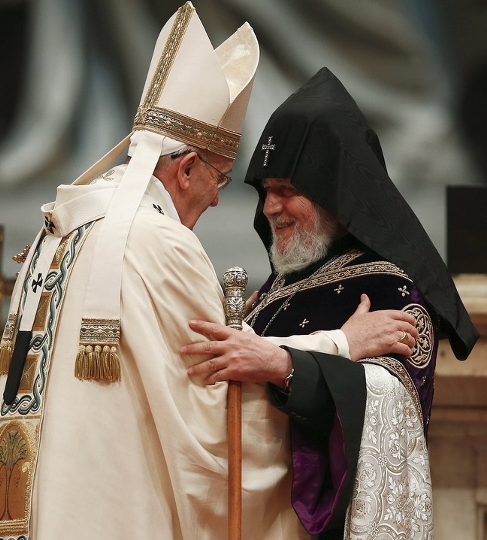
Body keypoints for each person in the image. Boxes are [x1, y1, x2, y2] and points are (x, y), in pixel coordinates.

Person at [0, 6, 417, 539]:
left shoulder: (59, 226)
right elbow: (221, 416)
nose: (220, 199)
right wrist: (342, 345)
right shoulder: (161, 244)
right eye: (220, 177)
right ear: (184, 169)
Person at [183, 67, 479, 539]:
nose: (269, 208)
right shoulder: (275, 290)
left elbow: (388, 407)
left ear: (336, 195)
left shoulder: (393, 290)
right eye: (265, 191)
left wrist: (283, 365)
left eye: (287, 190)